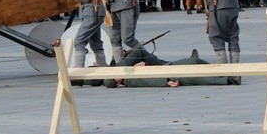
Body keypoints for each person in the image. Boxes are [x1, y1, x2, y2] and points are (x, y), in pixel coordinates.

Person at [103, 47, 240, 88]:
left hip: (169, 67)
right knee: (198, 77)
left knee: (195, 62)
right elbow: (148, 82)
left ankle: (224, 73)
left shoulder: (129, 71)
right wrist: (166, 81)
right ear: (117, 81)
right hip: (171, 74)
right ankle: (228, 79)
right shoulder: (130, 80)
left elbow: (138, 51)